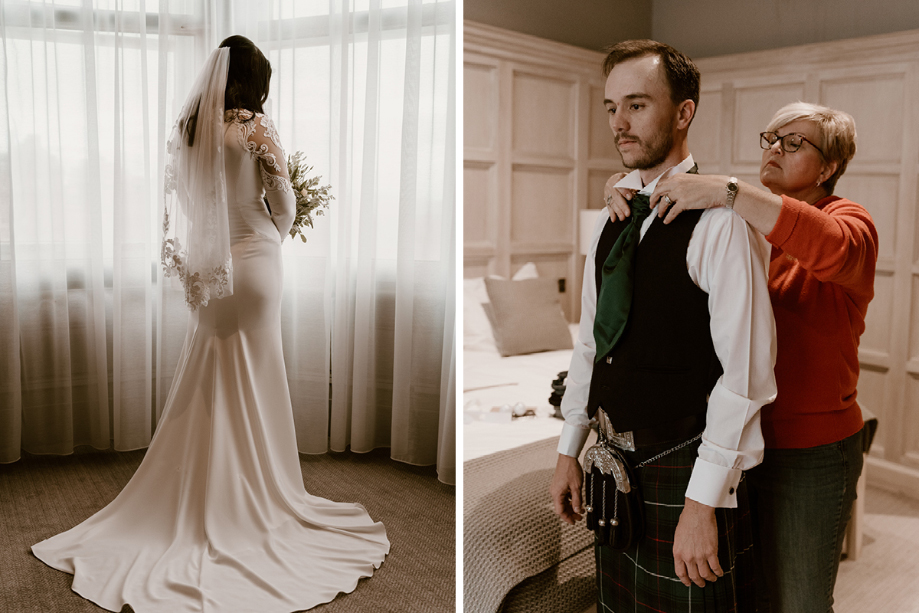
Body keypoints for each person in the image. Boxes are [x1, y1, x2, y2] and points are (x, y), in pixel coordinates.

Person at [32, 36, 389, 613]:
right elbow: (286, 202)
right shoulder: (254, 128)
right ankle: (251, 498)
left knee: (214, 372)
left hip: (214, 271)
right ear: (254, 81)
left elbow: (193, 209)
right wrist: (274, 221)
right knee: (256, 373)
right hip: (256, 264)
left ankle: (206, 493)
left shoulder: (190, 130)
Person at [610, 101, 877, 612]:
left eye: (794, 142)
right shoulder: (741, 227)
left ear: (829, 167)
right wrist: (624, 187)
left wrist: (727, 190)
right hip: (735, 440)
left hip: (810, 451)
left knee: (799, 601)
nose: (775, 148)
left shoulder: (849, 222)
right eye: (771, 138)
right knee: (747, 594)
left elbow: (827, 245)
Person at [549, 39, 777, 612]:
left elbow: (745, 373)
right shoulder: (613, 217)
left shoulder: (722, 225)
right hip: (612, 465)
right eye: (610, 108)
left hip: (686, 466)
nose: (619, 124)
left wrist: (702, 503)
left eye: (636, 105)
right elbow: (589, 343)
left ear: (683, 112)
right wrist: (568, 447)